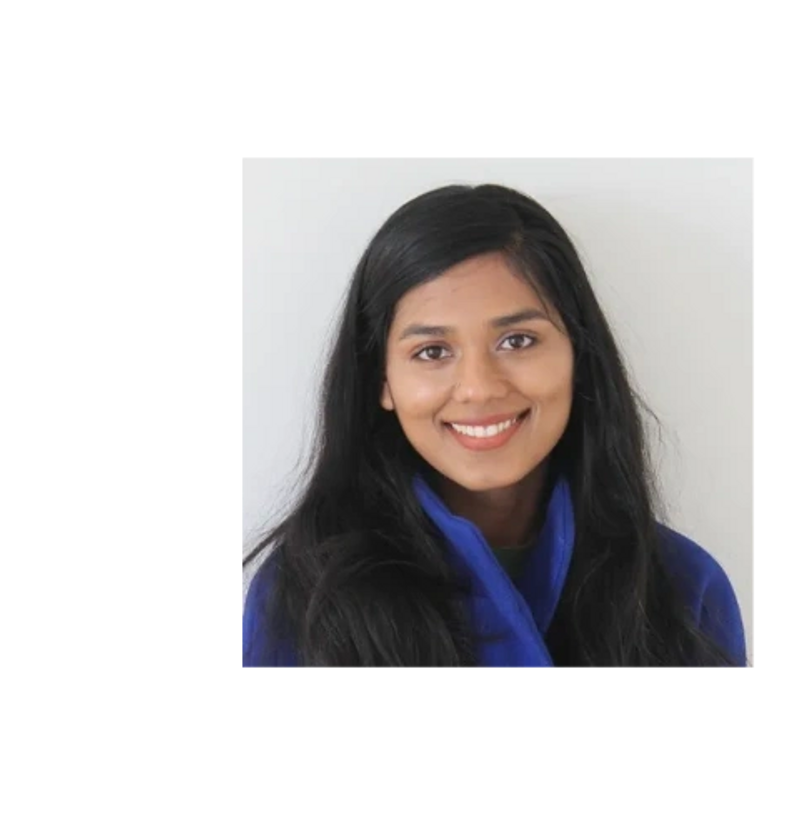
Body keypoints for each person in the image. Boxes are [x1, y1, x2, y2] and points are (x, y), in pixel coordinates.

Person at [239, 184, 747, 670]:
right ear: (383, 381)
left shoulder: (682, 588)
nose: (479, 388)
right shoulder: (303, 596)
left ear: (578, 355)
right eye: (432, 351)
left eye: (518, 341)